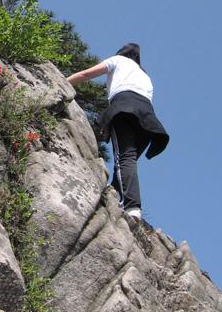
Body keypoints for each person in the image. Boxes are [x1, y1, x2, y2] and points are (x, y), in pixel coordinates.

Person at [67, 43, 169, 220]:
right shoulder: (145, 75)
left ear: (122, 53)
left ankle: (132, 207)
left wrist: (62, 82)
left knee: (124, 159)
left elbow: (86, 74)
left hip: (124, 109)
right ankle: (114, 199)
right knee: (126, 161)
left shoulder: (118, 60)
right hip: (147, 119)